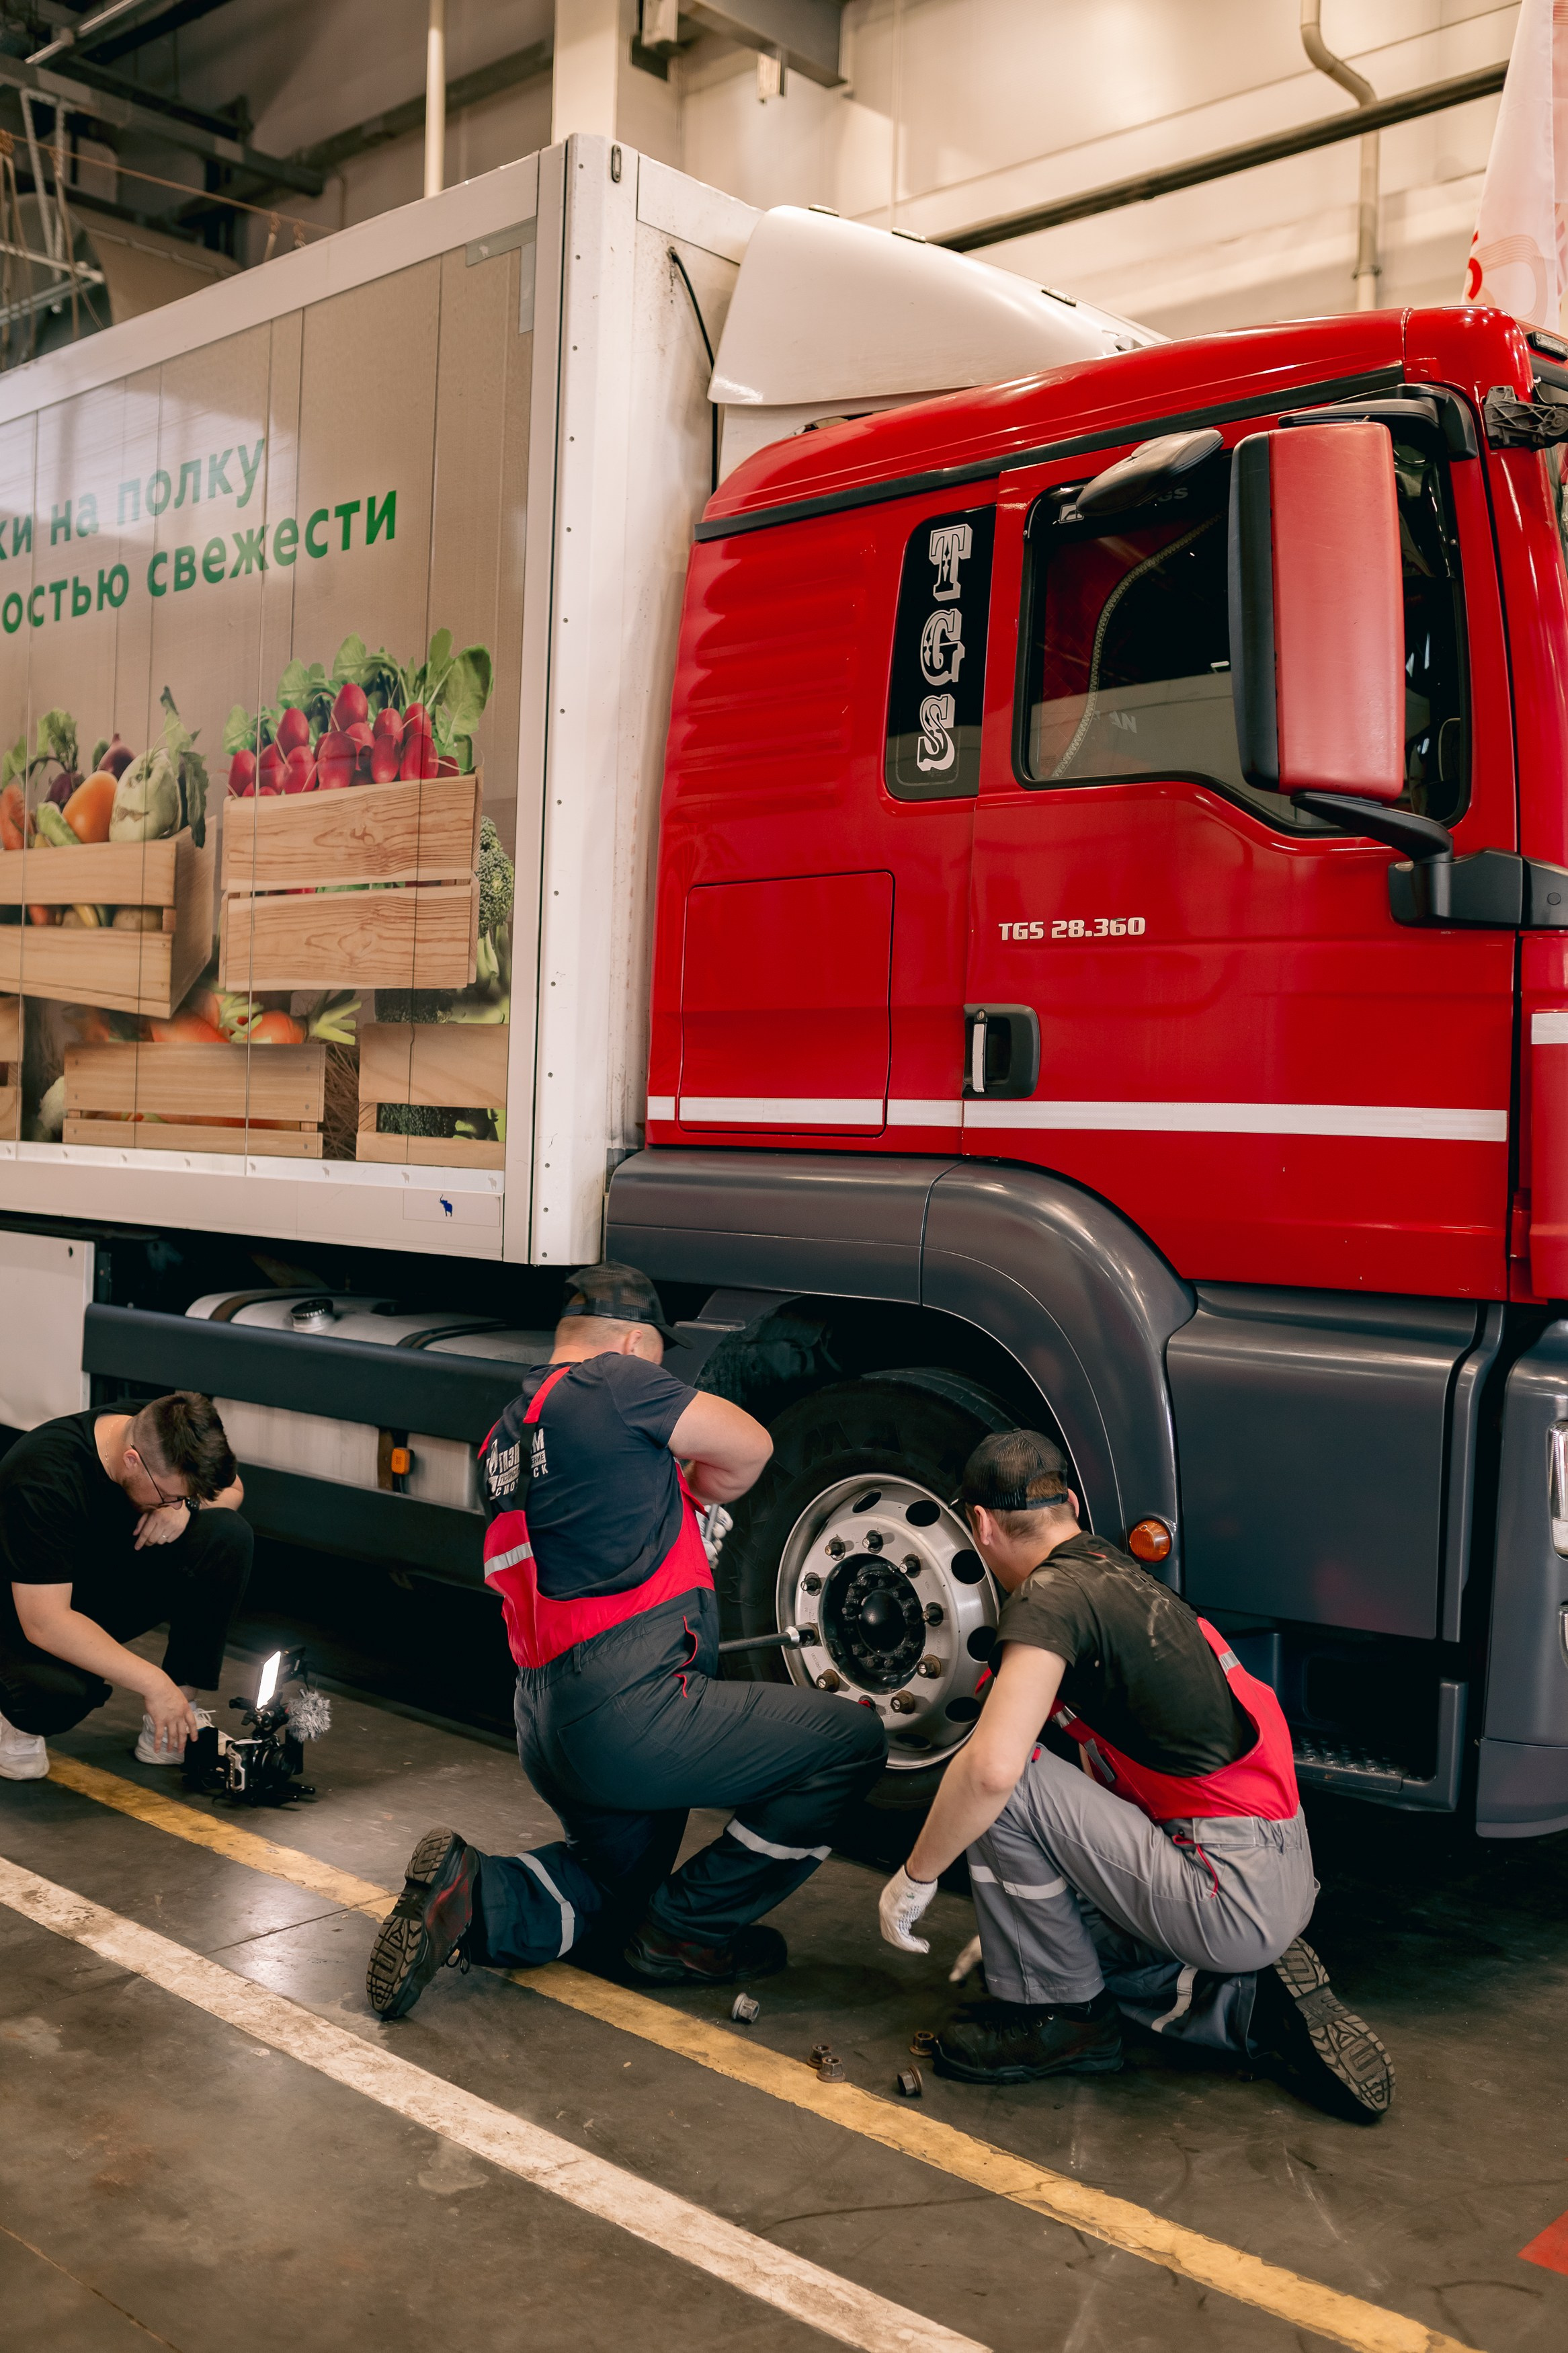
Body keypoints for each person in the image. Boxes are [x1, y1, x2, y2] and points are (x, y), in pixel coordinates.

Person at [366, 1262, 887, 2019]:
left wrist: (664, 1497)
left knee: (613, 1893)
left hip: (547, 1721)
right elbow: (749, 1445)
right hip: (633, 1707)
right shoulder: (615, 1380)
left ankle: (473, 1892)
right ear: (638, 1341)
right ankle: (687, 1930)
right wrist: (702, 1490)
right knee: (850, 1741)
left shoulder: (504, 1435)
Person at [876, 1430, 1393, 2120]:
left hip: (1224, 1885)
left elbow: (994, 1772)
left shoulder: (1048, 1599)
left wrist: (914, 1877)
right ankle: (1242, 2001)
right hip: (1274, 1867)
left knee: (1001, 1780)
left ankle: (1060, 2018)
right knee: (1068, 1933)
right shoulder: (1119, 1576)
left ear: (979, 1523)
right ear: (1070, 1503)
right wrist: (1027, 1928)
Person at [0, 1392, 251, 1782]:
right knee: (54, 1699)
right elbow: (44, 1623)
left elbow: (233, 1491)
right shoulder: (42, 1476)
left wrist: (187, 1510)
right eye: (170, 1495)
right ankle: (8, 1715)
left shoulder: (163, 1426)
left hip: (81, 1584)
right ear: (132, 1460)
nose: (173, 1503)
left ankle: (171, 1727)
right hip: (21, 1610)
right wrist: (155, 1683)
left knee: (226, 1535)